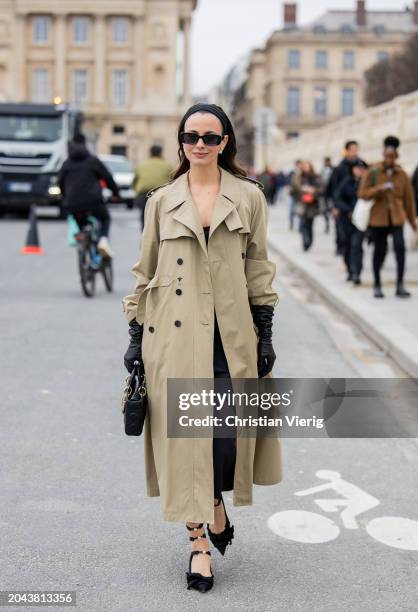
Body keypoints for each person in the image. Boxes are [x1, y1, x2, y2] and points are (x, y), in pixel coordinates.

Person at [122, 103, 281, 593]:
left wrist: (266, 327)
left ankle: (214, 504)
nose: (200, 145)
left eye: (210, 137)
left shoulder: (249, 197)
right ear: (181, 141)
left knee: (226, 440)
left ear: (225, 142)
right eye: (191, 136)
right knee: (187, 443)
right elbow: (144, 272)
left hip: (230, 338)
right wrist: (133, 336)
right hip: (172, 337)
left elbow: (258, 265)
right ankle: (198, 547)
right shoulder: (160, 201)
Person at [358, 135, 418, 298]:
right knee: (379, 251)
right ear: (383, 155)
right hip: (379, 219)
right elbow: (362, 193)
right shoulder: (373, 172)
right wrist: (379, 189)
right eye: (387, 156)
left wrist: (413, 224)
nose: (389, 159)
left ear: (396, 156)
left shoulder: (402, 175)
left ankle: (400, 284)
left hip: (397, 218)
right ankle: (377, 284)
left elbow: (409, 201)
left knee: (400, 249)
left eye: (392, 156)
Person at [58, 133, 120, 258]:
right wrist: (115, 193)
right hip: (94, 201)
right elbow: (107, 177)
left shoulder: (67, 163)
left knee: (81, 224)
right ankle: (103, 240)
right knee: (105, 218)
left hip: (72, 203)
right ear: (85, 144)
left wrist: (65, 198)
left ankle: (83, 243)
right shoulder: (92, 160)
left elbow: (60, 182)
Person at [334, 160, 368, 284]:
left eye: (361, 169)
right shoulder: (347, 182)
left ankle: (356, 272)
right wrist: (348, 210)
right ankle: (349, 269)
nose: (359, 171)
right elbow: (337, 198)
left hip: (361, 220)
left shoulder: (367, 184)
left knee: (357, 244)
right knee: (347, 244)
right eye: (357, 168)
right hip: (346, 219)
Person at [328, 141, 359, 256]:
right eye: (352, 150)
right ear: (347, 151)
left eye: (356, 149)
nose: (354, 152)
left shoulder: (360, 165)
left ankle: (352, 258)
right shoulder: (339, 168)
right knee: (341, 231)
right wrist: (334, 206)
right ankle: (341, 249)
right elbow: (332, 188)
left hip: (356, 205)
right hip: (341, 205)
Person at [132, 145, 173, 231]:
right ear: (161, 153)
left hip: (143, 196)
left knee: (144, 219)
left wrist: (136, 192)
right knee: (161, 220)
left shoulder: (141, 165)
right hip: (161, 195)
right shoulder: (167, 165)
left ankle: (144, 239)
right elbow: (173, 180)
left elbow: (135, 181)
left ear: (150, 153)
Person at [291, 161, 322, 251]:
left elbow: (321, 189)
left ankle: (310, 241)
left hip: (312, 204)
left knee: (310, 224)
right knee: (303, 224)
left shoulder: (316, 177)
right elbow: (293, 191)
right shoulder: (298, 177)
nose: (305, 168)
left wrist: (313, 190)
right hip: (302, 203)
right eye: (304, 167)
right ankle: (305, 242)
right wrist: (302, 190)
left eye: (307, 166)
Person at [287, 159, 302, 230]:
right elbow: (287, 181)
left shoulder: (303, 173)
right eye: (298, 165)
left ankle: (300, 227)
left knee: (300, 211)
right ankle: (291, 224)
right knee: (291, 211)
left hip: (300, 195)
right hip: (293, 194)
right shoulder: (292, 173)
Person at [320, 156, 334, 233]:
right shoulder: (322, 171)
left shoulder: (333, 170)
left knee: (332, 208)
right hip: (324, 194)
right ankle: (327, 224)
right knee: (324, 210)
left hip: (331, 193)